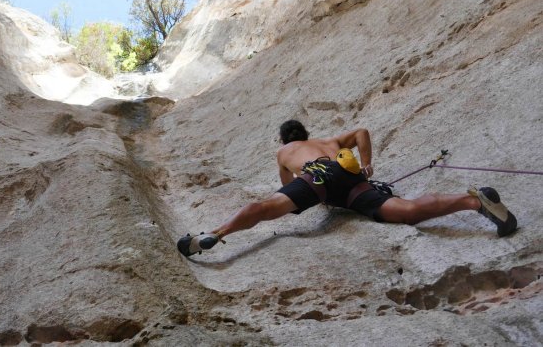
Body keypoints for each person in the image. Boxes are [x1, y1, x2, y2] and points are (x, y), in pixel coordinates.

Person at [177, 120, 517, 257]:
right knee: (408, 210)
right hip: (349, 176)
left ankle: (214, 233)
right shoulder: (326, 140)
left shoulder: (285, 152)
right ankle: (473, 202)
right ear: (306, 132)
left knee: (266, 208)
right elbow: (361, 132)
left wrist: (306, 195)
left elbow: (287, 192)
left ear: (284, 140)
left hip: (317, 179)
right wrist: (367, 164)